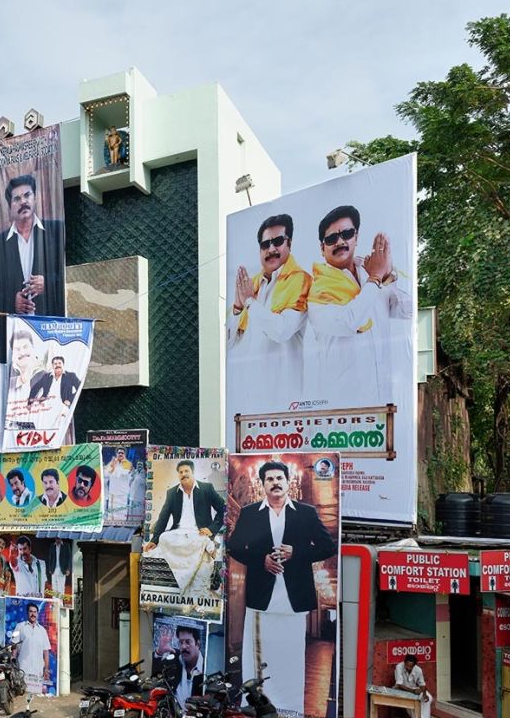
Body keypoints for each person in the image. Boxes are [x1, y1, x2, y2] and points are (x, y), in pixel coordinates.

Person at [227, 460, 337, 713]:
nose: (275, 483)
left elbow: (327, 547)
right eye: (270, 479)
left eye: (280, 478)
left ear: (288, 483)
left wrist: (297, 552)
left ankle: (289, 711)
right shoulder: (250, 513)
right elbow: (234, 547)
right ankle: (255, 707)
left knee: (290, 657)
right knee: (259, 656)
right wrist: (260, 560)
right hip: (261, 599)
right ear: (262, 484)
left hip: (294, 599)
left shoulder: (306, 513)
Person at [304, 205, 413, 404]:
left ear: (356, 237)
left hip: (382, 402)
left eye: (347, 233)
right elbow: (348, 322)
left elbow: (408, 311)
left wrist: (387, 276)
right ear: (322, 248)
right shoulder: (317, 291)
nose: (340, 242)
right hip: (344, 413)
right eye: (331, 239)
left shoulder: (369, 273)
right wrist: (376, 278)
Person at [227, 214, 311, 411]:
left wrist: (249, 302)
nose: (271, 249)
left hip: (285, 405)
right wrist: (238, 309)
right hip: (250, 403)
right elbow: (229, 343)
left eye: (278, 241)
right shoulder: (253, 284)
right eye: (266, 244)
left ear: (289, 243)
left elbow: (281, 331)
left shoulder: (300, 280)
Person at [0, 174, 66, 362]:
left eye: (27, 195)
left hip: (51, 331)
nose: (23, 202)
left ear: (35, 198)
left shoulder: (57, 231)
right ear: (10, 206)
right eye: (17, 198)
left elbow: (74, 273)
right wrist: (10, 303)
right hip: (14, 335)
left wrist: (49, 283)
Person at [145, 460, 226, 548]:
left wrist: (211, 529)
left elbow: (224, 509)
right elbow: (163, 517)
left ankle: (209, 547)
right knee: (163, 538)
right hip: (178, 532)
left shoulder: (206, 489)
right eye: (181, 472)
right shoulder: (172, 493)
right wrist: (154, 540)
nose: (183, 474)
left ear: (193, 472)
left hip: (200, 532)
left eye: (186, 471)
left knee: (200, 542)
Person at [13, 602, 51, 689]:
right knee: (22, 692)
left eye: (35, 612)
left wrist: (46, 669)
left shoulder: (43, 631)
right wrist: (13, 661)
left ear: (37, 614)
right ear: (27, 613)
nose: (33, 614)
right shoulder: (19, 626)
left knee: (35, 696)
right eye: (31, 611)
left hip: (37, 670)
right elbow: (13, 645)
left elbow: (46, 652)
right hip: (23, 668)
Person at [394, 653, 432, 718]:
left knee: (428, 698)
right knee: (412, 703)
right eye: (407, 665)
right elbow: (399, 684)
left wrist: (424, 694)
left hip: (414, 689)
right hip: (401, 689)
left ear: (414, 665)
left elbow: (422, 684)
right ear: (404, 662)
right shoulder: (399, 667)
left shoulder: (418, 670)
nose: (408, 668)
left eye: (411, 666)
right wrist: (413, 691)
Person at [174, 624, 205, 708]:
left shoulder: (207, 668)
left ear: (197, 644)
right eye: (181, 642)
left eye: (188, 642)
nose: (183, 646)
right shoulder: (174, 662)